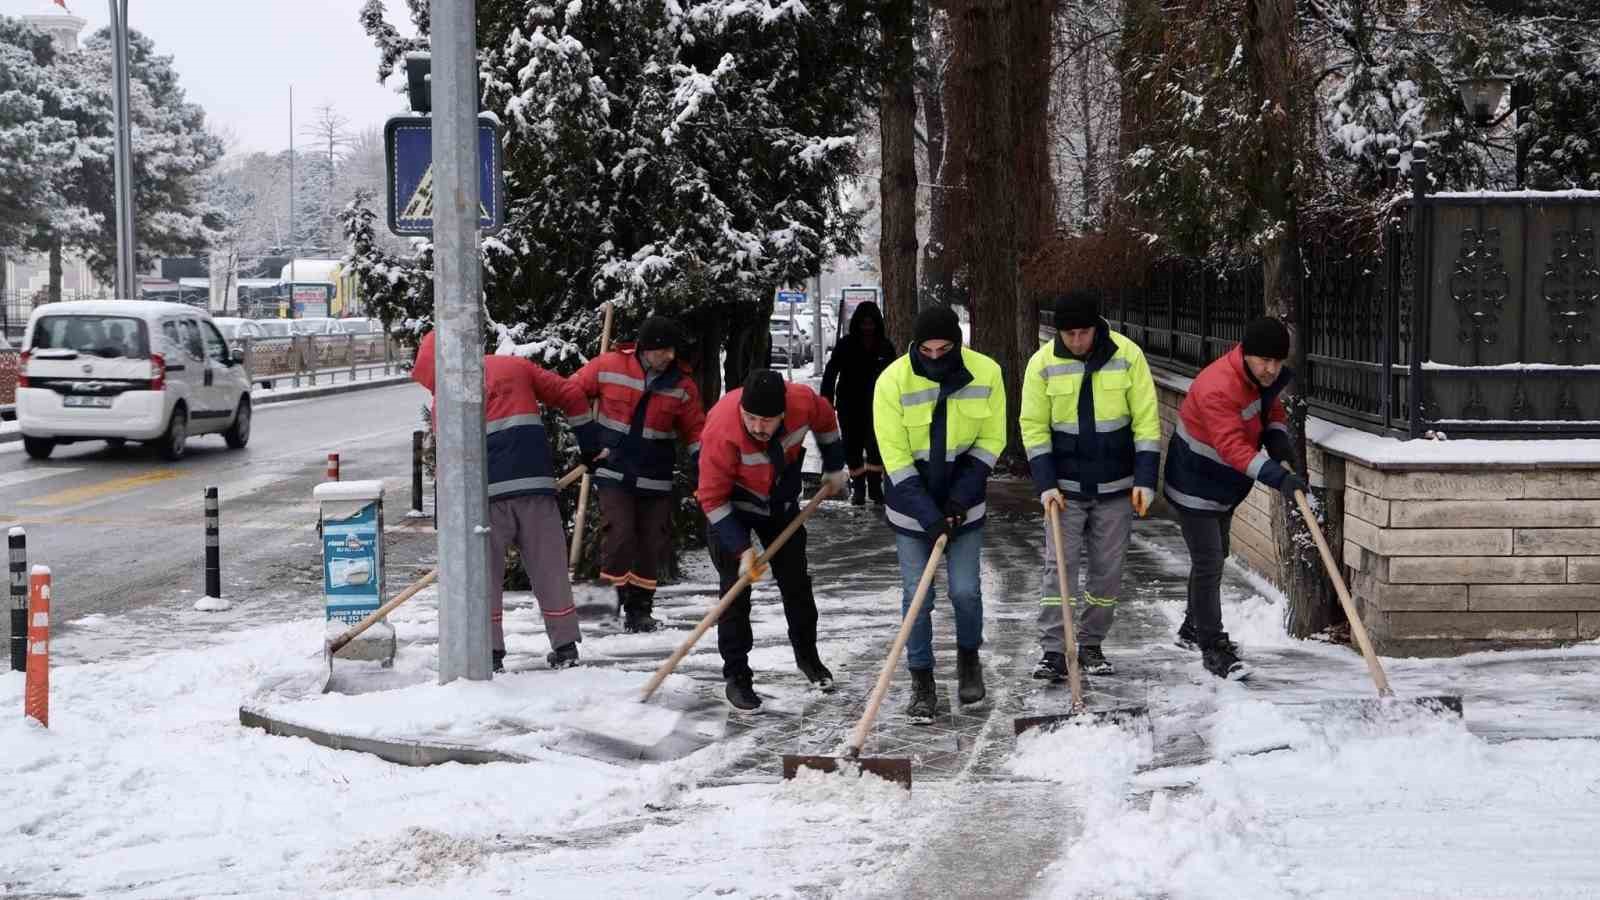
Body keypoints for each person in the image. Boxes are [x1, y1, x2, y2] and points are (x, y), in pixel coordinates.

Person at [412, 329, 591, 672]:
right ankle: (566, 647)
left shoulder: (445, 400)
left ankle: (490, 654)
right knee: (550, 568)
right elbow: (571, 394)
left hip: (484, 501)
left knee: (484, 577)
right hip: (534, 487)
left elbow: (449, 465)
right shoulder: (514, 368)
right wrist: (590, 443)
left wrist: (447, 517)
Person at [874, 306, 1007, 723]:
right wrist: (929, 515)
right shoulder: (892, 381)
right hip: (912, 509)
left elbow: (990, 441)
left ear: (957, 344)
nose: (934, 356)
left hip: (963, 505)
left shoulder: (987, 374)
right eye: (926, 349)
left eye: (943, 349)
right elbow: (895, 458)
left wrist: (956, 504)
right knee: (918, 596)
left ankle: (969, 658)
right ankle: (921, 679)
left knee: (965, 591)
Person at [1020, 291, 1161, 680]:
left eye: (1083, 332)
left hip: (1116, 486)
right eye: (1069, 334)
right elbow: (1033, 428)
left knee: (1107, 571)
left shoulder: (1128, 356)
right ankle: (1053, 649)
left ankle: (1091, 644)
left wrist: (1146, 480)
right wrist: (1045, 483)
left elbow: (1146, 421)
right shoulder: (1042, 365)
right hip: (1063, 490)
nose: (1077, 341)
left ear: (1096, 327)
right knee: (1058, 570)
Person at [698, 370, 850, 710]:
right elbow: (711, 498)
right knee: (735, 590)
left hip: (780, 503)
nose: (757, 427)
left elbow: (826, 420)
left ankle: (808, 658)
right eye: (750, 417)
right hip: (731, 506)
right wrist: (742, 550)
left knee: (796, 582)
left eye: (766, 420)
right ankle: (737, 675)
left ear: (783, 413)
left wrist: (835, 465)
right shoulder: (721, 428)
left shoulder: (803, 401)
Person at [1163, 317, 1304, 679]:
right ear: (1246, 355)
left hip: (1223, 487)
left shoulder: (1259, 378)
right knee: (1209, 560)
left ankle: (1193, 627)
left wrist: (1277, 438)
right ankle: (1212, 647)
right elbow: (1232, 448)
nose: (1272, 370)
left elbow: (1269, 407)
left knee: (1215, 554)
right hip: (1194, 484)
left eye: (1278, 361)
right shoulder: (1217, 387)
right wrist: (1278, 476)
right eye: (1264, 361)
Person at [571, 315, 706, 633]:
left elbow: (696, 430)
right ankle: (604, 608)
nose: (670, 357)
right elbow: (571, 393)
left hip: (654, 474)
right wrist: (587, 440)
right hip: (612, 468)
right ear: (645, 349)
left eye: (673, 351)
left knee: (650, 543)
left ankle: (640, 610)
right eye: (663, 350)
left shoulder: (682, 386)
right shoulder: (608, 366)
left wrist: (705, 465)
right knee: (619, 535)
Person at [820, 300, 897, 506]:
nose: (867, 328)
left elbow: (896, 375)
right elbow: (831, 371)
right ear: (857, 324)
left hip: (878, 406)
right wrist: (827, 399)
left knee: (875, 447)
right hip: (849, 404)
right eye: (864, 324)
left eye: (871, 324)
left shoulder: (885, 346)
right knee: (852, 447)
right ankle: (859, 489)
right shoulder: (846, 344)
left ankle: (874, 488)